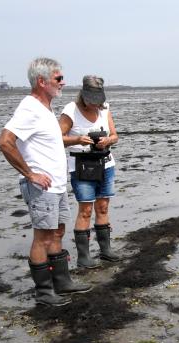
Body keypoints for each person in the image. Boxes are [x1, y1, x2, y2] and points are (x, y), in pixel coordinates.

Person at [0, 57, 91, 306]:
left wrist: (78, 140)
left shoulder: (46, 109)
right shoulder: (29, 108)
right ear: (41, 81)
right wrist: (30, 174)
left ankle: (62, 282)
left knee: (58, 232)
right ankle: (43, 292)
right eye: (58, 78)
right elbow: (5, 141)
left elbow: (51, 143)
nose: (63, 82)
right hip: (42, 187)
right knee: (43, 237)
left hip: (57, 185)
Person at [59, 75, 122, 268]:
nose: (95, 105)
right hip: (81, 166)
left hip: (105, 164)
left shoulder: (106, 108)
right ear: (83, 95)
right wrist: (78, 140)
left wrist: (107, 141)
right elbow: (57, 138)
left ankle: (105, 250)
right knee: (85, 210)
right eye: (91, 101)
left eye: (98, 101)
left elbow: (115, 135)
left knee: (103, 207)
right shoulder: (70, 110)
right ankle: (84, 257)